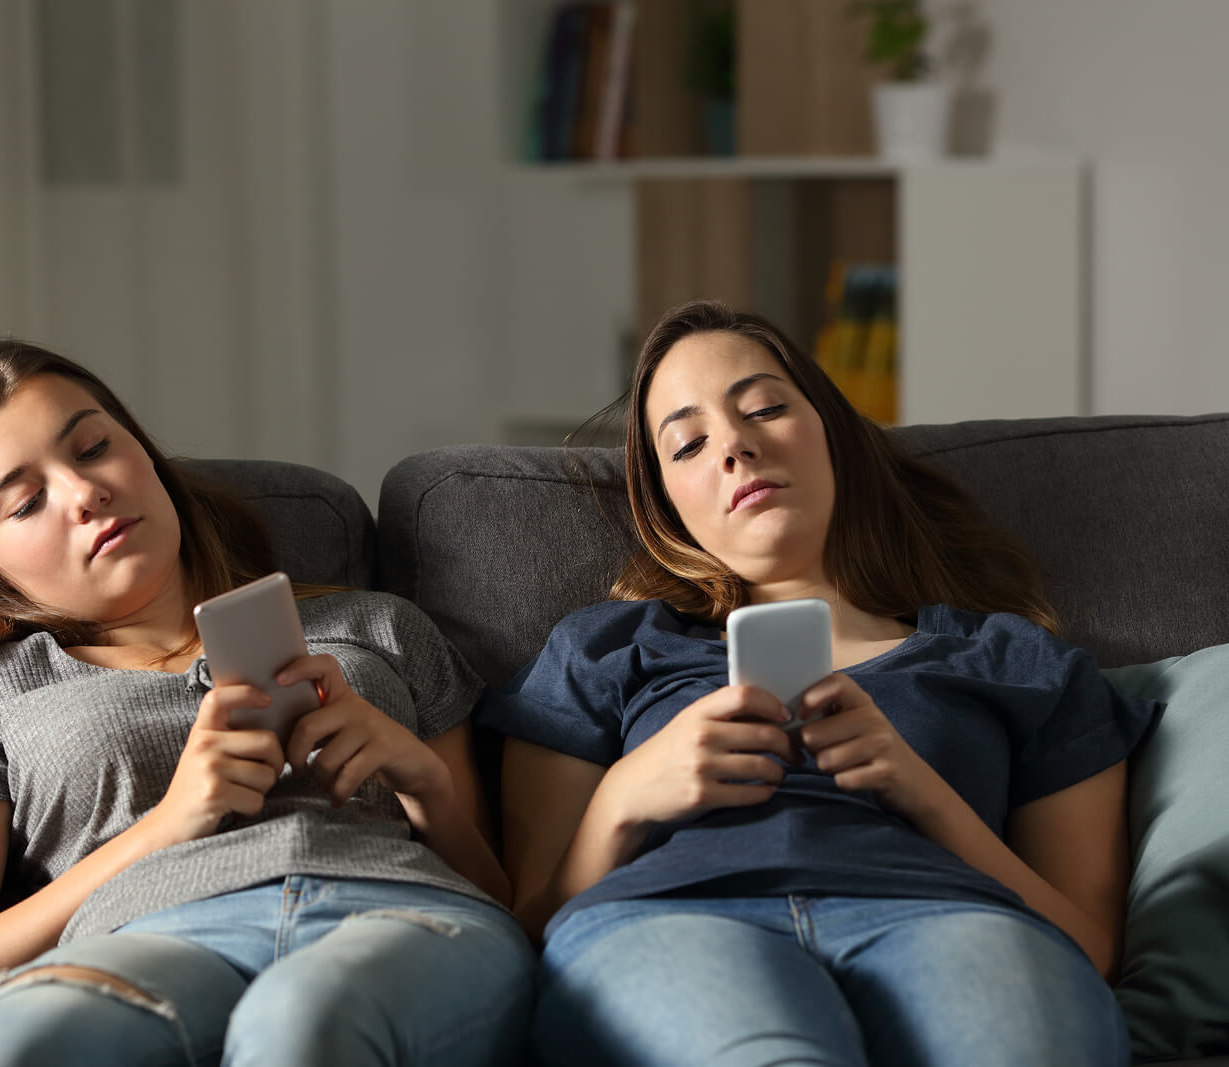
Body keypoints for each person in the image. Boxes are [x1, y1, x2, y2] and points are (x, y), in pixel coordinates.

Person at [481, 299, 1154, 1067]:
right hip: (672, 922)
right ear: (669, 506)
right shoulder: (605, 649)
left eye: (765, 408)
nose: (734, 445)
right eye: (689, 443)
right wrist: (626, 795)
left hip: (950, 918)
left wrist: (924, 792)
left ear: (831, 430)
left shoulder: (1015, 659)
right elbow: (530, 925)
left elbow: (1090, 947)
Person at [0, 340, 533, 1067]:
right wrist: (163, 828)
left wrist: (427, 787)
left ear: (144, 455)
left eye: (93, 448)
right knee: (21, 1044)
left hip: (400, 914)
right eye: (26, 502)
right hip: (144, 943)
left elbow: (505, 903)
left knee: (303, 1019)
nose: (84, 494)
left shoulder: (379, 627)